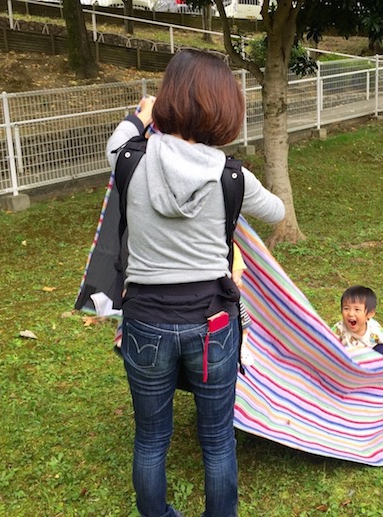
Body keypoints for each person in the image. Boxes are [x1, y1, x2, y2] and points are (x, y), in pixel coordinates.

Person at [106, 49, 285, 517]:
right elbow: (278, 213)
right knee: (217, 440)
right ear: (226, 107)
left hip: (144, 321)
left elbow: (120, 138)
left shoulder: (128, 159)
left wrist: (138, 115)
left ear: (168, 99)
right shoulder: (232, 176)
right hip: (214, 323)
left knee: (150, 438)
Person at [232, 243, 254, 367]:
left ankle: (242, 347)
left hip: (229, 297)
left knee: (244, 324)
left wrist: (236, 280)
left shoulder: (231, 246)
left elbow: (238, 269)